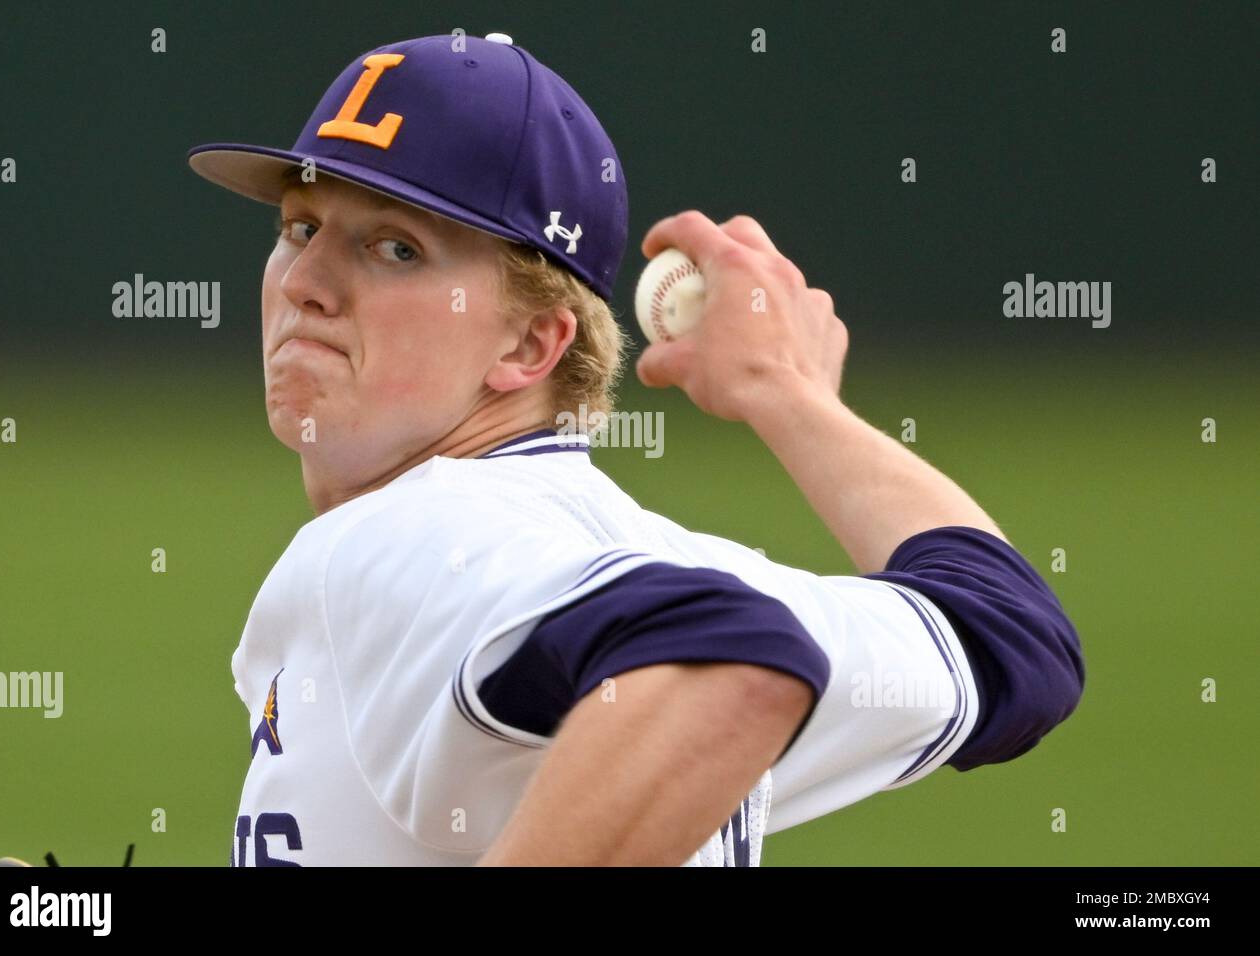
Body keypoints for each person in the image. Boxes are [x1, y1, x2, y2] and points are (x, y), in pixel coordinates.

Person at [189, 33, 1084, 867]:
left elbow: (724, 659)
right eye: (301, 227)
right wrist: (792, 397)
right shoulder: (654, 557)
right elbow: (1009, 640)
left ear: (528, 347)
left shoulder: (413, 538)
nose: (304, 284)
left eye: (395, 247)